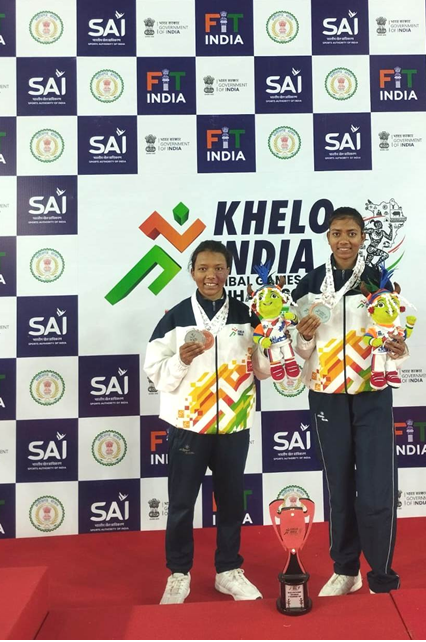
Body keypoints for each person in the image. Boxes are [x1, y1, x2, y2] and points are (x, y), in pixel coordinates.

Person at [144, 240, 270, 604]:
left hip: (234, 424)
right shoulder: (175, 318)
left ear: (228, 271)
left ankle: (228, 570)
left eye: (218, 268)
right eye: (203, 269)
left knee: (231, 503)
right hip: (188, 425)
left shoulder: (248, 315)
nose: (210, 275)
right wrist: (181, 360)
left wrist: (271, 343)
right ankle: (178, 573)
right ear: (192, 272)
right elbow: (155, 373)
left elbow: (263, 371)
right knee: (181, 503)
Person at [291, 207, 408, 596]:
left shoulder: (379, 281)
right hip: (327, 395)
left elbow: (394, 337)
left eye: (352, 233)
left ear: (362, 238)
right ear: (328, 237)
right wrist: (305, 336)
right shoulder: (308, 285)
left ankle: (381, 574)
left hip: (372, 392)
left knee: (376, 487)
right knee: (339, 487)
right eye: (337, 233)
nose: (344, 240)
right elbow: (300, 352)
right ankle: (345, 569)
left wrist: (400, 349)